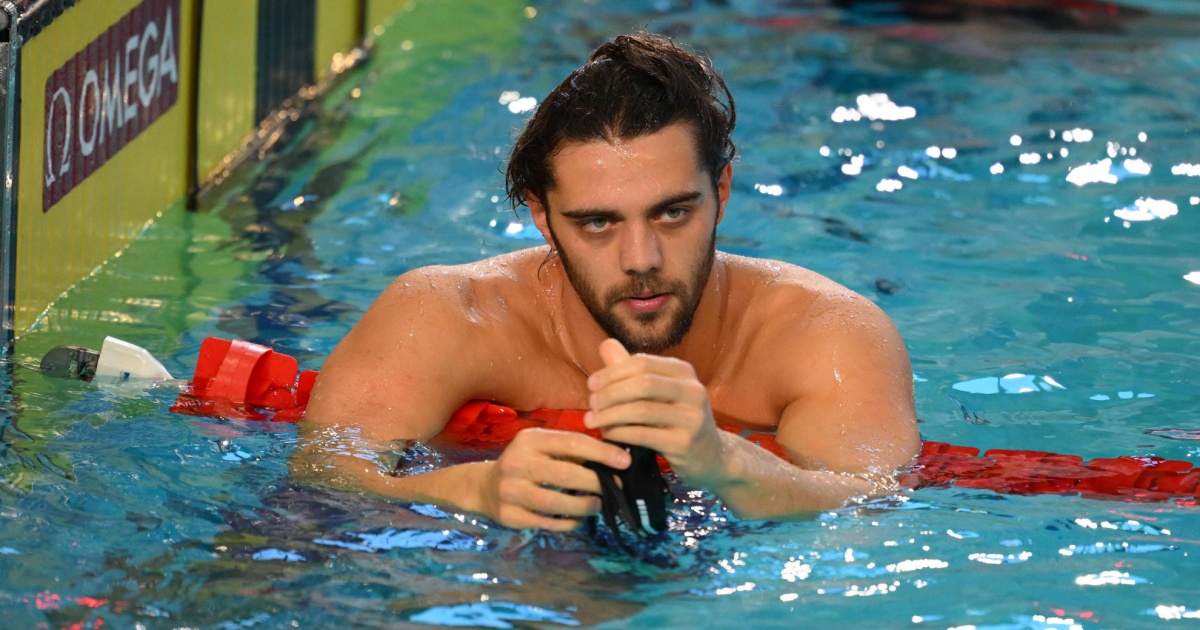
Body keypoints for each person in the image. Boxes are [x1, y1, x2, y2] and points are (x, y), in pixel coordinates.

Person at [300, 32, 920, 530]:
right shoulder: (446, 314)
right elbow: (324, 476)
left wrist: (726, 461)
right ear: (542, 217)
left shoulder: (827, 334)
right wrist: (471, 490)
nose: (640, 259)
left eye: (672, 213)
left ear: (722, 192)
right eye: (597, 223)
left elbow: (872, 500)